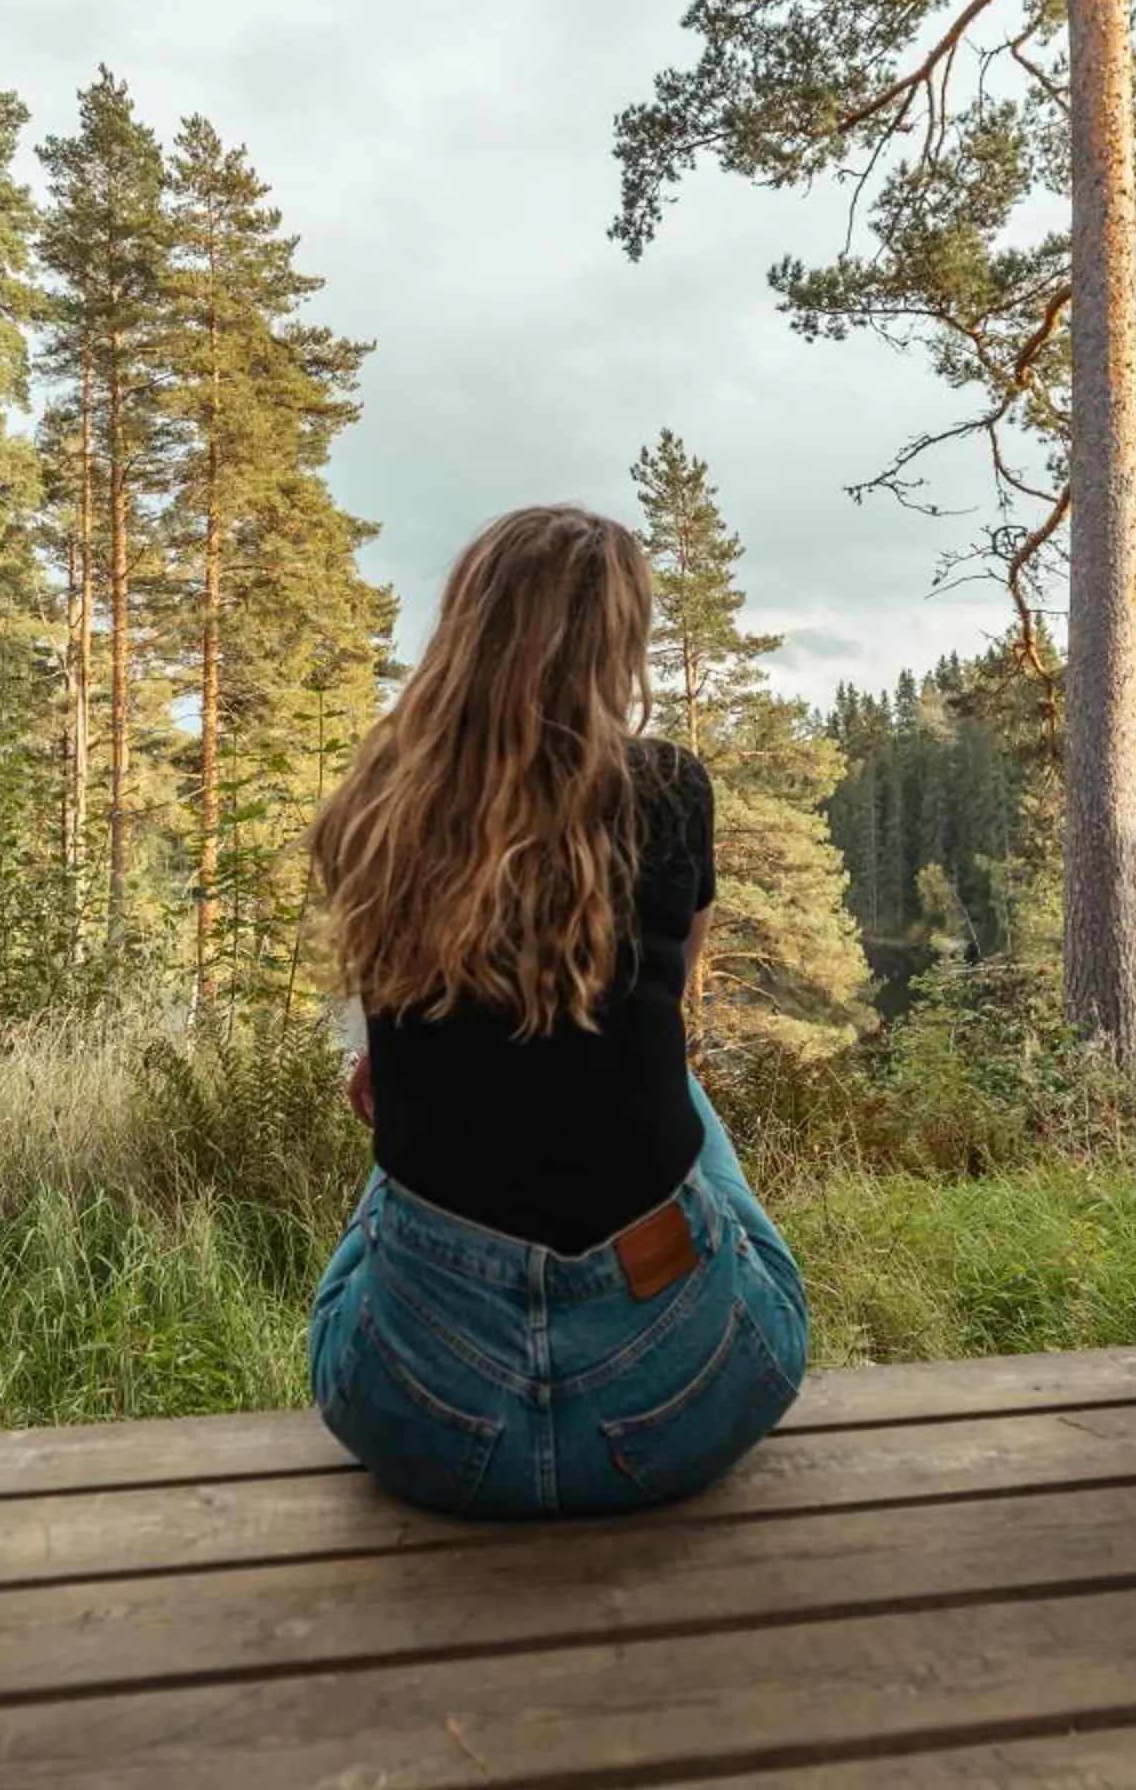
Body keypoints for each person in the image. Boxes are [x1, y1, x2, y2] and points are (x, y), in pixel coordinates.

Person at [302, 504, 809, 1519]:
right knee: (683, 1092)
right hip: (679, 1403)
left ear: (467, 627)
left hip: (421, 1417)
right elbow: (672, 1008)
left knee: (391, 1095)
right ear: (617, 643)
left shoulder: (378, 803)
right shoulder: (668, 789)